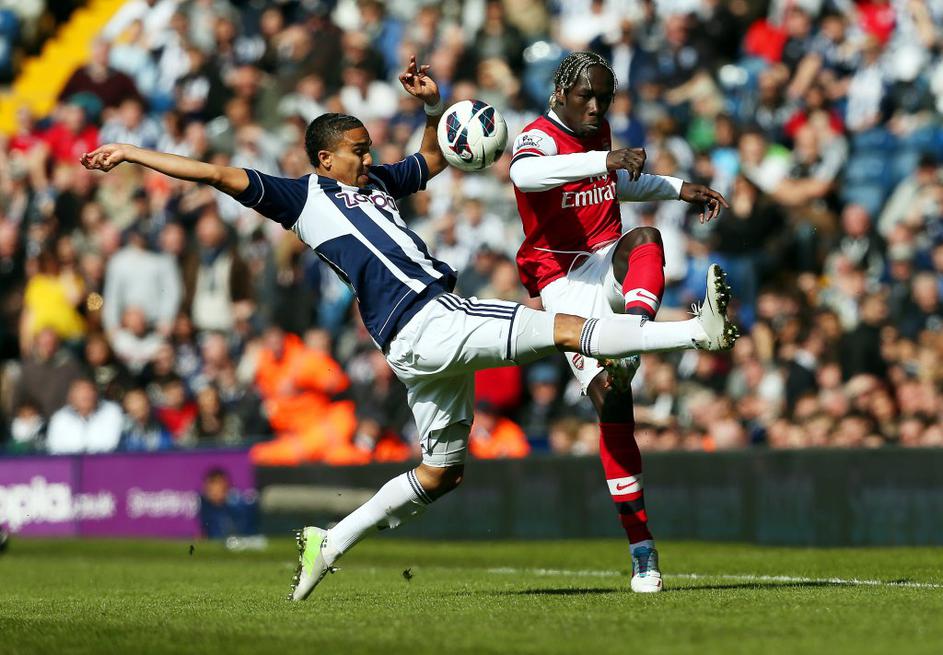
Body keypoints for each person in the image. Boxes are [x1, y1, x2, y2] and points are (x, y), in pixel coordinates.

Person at [81, 56, 736, 603]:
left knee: (441, 472)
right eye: (357, 151)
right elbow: (215, 173)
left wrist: (433, 108)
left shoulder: (377, 185)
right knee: (570, 330)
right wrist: (131, 153)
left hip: (409, 346)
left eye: (369, 148)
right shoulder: (300, 198)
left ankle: (329, 541)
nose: (368, 158)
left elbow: (431, 159)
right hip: (432, 316)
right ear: (323, 158)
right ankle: (694, 334)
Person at [508, 51, 735, 592]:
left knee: (646, 238)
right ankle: (641, 548)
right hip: (561, 281)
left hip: (605, 258)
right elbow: (525, 175)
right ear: (560, 93)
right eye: (585, 95)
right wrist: (602, 160)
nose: (595, 106)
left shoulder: (599, 133)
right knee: (614, 406)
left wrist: (678, 188)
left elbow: (612, 186)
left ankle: (630, 339)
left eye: (604, 97)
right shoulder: (538, 136)